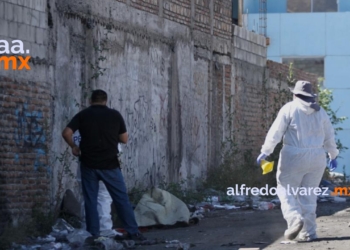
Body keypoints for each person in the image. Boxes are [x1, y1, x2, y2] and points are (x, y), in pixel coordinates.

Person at [257, 80, 339, 242]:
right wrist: (333, 154)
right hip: (317, 157)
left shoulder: (289, 108)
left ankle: (294, 219)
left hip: (294, 155)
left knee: (286, 190)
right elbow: (329, 135)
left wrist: (265, 151)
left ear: (295, 94)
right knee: (308, 195)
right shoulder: (320, 111)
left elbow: (276, 132)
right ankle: (309, 232)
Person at [62, 89, 146, 241]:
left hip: (88, 164)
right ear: (106, 101)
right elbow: (124, 139)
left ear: (90, 100)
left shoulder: (83, 115)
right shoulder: (115, 115)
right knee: (121, 198)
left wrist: (74, 146)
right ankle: (133, 232)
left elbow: (66, 133)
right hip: (110, 164)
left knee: (90, 200)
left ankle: (93, 234)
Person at [73, 130, 122, 237]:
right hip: (107, 168)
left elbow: (75, 147)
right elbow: (117, 150)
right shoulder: (108, 128)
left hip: (85, 168)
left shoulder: (78, 131)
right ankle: (104, 228)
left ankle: (87, 228)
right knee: (104, 197)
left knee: (87, 198)